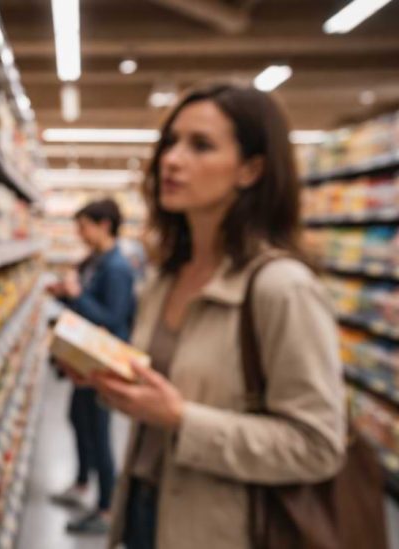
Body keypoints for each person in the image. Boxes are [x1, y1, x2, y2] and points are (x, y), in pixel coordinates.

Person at [66, 84, 345, 549]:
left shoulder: (281, 288)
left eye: (201, 145)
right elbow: (163, 392)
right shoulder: (165, 278)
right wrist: (110, 381)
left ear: (251, 169)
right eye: (170, 143)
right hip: (144, 510)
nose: (172, 160)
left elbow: (317, 446)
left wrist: (182, 419)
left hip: (223, 529)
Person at [49, 198, 136, 535]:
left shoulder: (117, 268)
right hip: (85, 362)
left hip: (103, 364)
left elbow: (112, 318)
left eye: (84, 226)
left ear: (104, 225)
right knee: (78, 418)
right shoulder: (95, 261)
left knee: (99, 432)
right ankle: (82, 482)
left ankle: (106, 507)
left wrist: (76, 295)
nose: (79, 233)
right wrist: (64, 294)